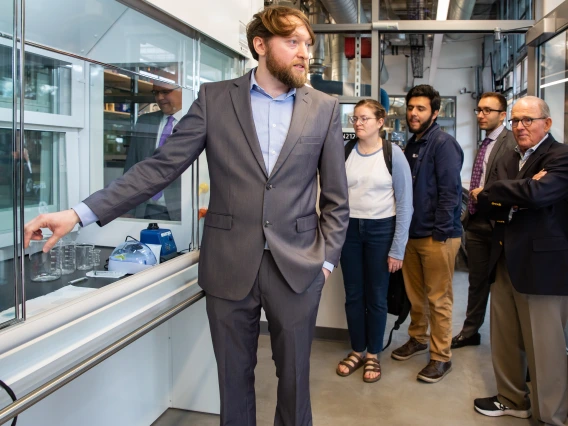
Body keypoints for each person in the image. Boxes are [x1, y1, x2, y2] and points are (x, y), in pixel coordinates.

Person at [23, 6, 349, 426]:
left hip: (300, 265)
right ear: (260, 45)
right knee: (233, 381)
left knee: (294, 382)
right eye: (293, 42)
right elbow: (160, 167)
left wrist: (325, 262)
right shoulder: (215, 99)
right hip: (230, 262)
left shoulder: (323, 107)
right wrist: (79, 213)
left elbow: (337, 199)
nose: (305, 52)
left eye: (308, 44)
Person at [474, 96, 568, 426]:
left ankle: (551, 416)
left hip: (542, 269)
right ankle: (512, 398)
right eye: (515, 121)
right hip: (505, 260)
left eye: (528, 120)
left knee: (545, 350)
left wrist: (504, 192)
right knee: (505, 339)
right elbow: (487, 202)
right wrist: (515, 191)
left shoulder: (561, 156)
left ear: (547, 123)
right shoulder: (511, 157)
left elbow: (537, 195)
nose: (520, 127)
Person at [390, 84, 464, 383]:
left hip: (437, 235)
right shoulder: (412, 144)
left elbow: (451, 193)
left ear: (436, 112)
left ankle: (441, 356)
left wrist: (441, 233)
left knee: (438, 299)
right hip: (412, 234)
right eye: (410, 108)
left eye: (420, 108)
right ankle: (418, 338)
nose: (413, 113)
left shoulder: (443, 144)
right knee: (416, 297)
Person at [336, 99, 412, 383]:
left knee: (377, 297)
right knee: (353, 294)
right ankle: (357, 350)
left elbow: (406, 204)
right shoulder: (345, 152)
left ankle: (373, 355)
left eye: (365, 118)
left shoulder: (394, 155)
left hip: (382, 230)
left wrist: (398, 249)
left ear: (380, 122)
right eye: (355, 118)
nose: (358, 123)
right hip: (349, 231)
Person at [451, 92, 516, 349]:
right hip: (477, 222)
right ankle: (470, 332)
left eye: (487, 110)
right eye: (479, 110)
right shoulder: (485, 142)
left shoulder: (512, 142)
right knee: (476, 282)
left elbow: (511, 182)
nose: (480, 114)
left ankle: (512, 344)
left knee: (505, 285)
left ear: (503, 115)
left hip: (500, 224)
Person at [123, 82, 183, 220]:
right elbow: (132, 166)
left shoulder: (195, 121)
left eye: (165, 92)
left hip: (181, 212)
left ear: (183, 91)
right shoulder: (145, 121)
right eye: (156, 93)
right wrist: (128, 208)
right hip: (146, 209)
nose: (160, 97)